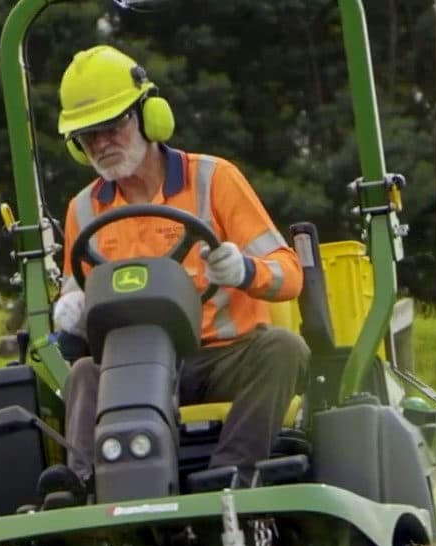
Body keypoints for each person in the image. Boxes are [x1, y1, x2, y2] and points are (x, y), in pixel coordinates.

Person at [45, 44, 310, 499]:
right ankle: (87, 491)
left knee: (283, 348)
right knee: (83, 373)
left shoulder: (214, 179)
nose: (103, 143)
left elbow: (290, 274)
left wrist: (244, 270)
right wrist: (69, 307)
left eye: (113, 126)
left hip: (221, 356)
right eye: (90, 136)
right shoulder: (83, 209)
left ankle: (230, 476)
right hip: (132, 363)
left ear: (150, 117)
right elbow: (76, 292)